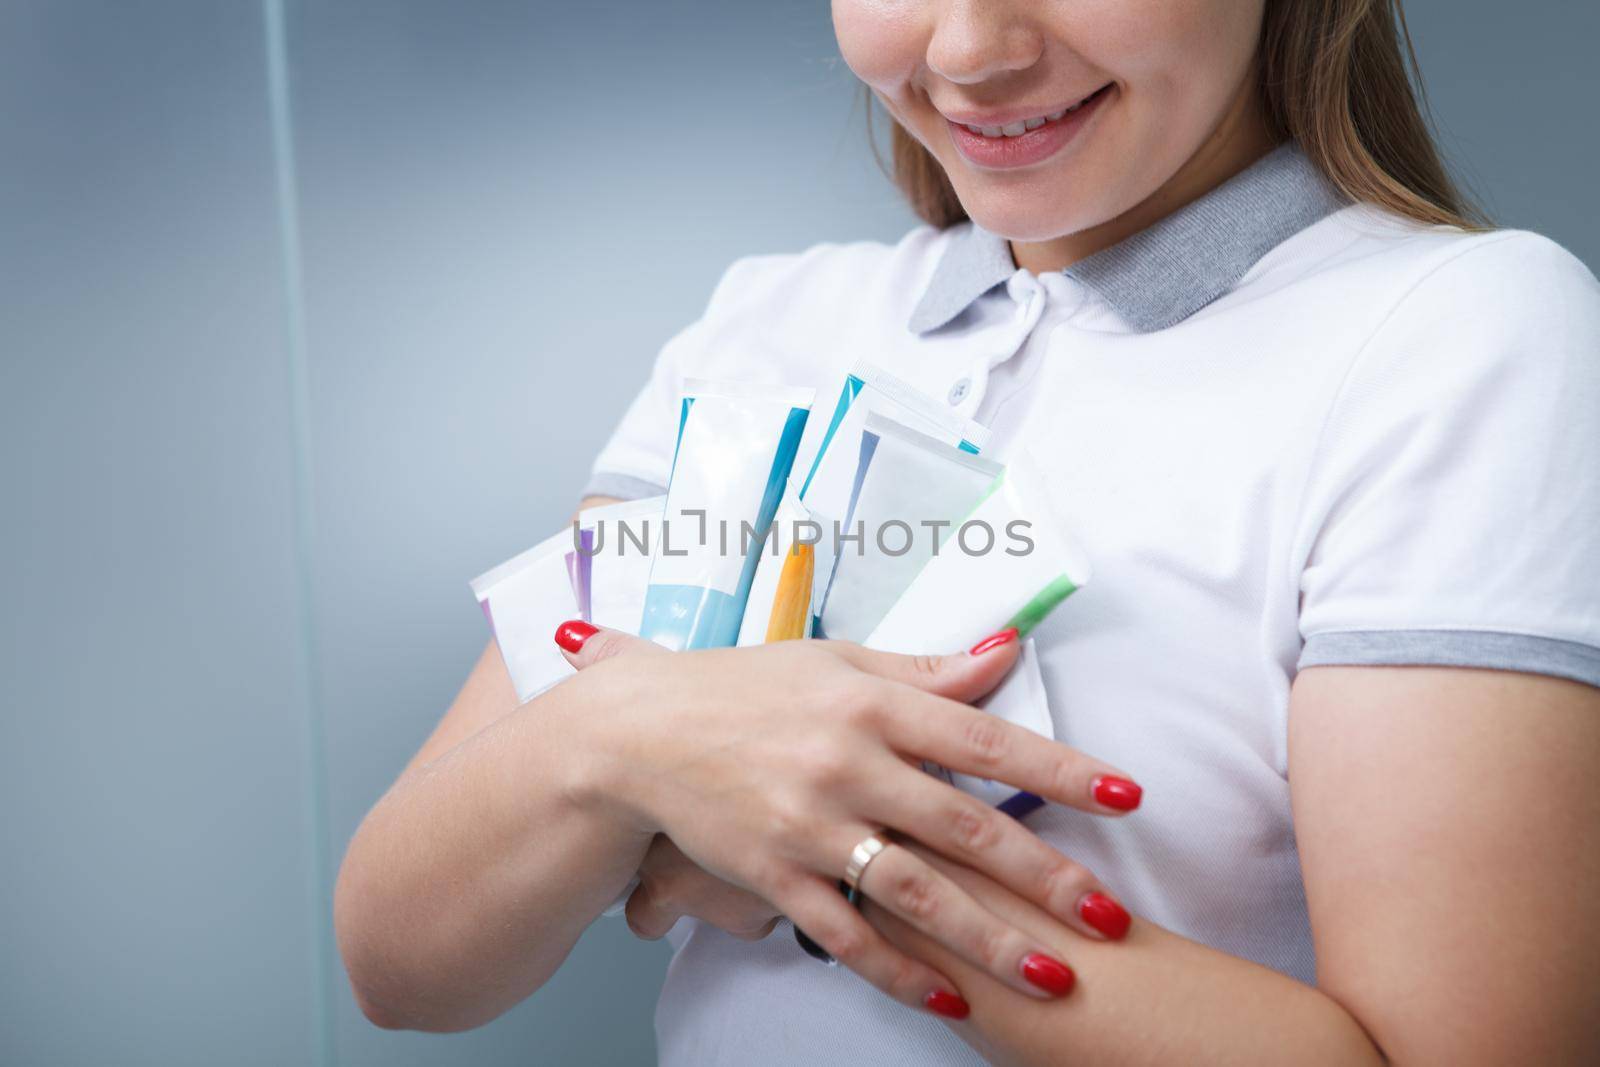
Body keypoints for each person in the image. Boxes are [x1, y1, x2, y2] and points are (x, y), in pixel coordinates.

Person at [334, 1, 1600, 1062]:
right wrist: (631, 736)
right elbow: (404, 961)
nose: (968, 52)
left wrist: (809, 835)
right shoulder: (767, 325)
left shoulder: (1457, 335)